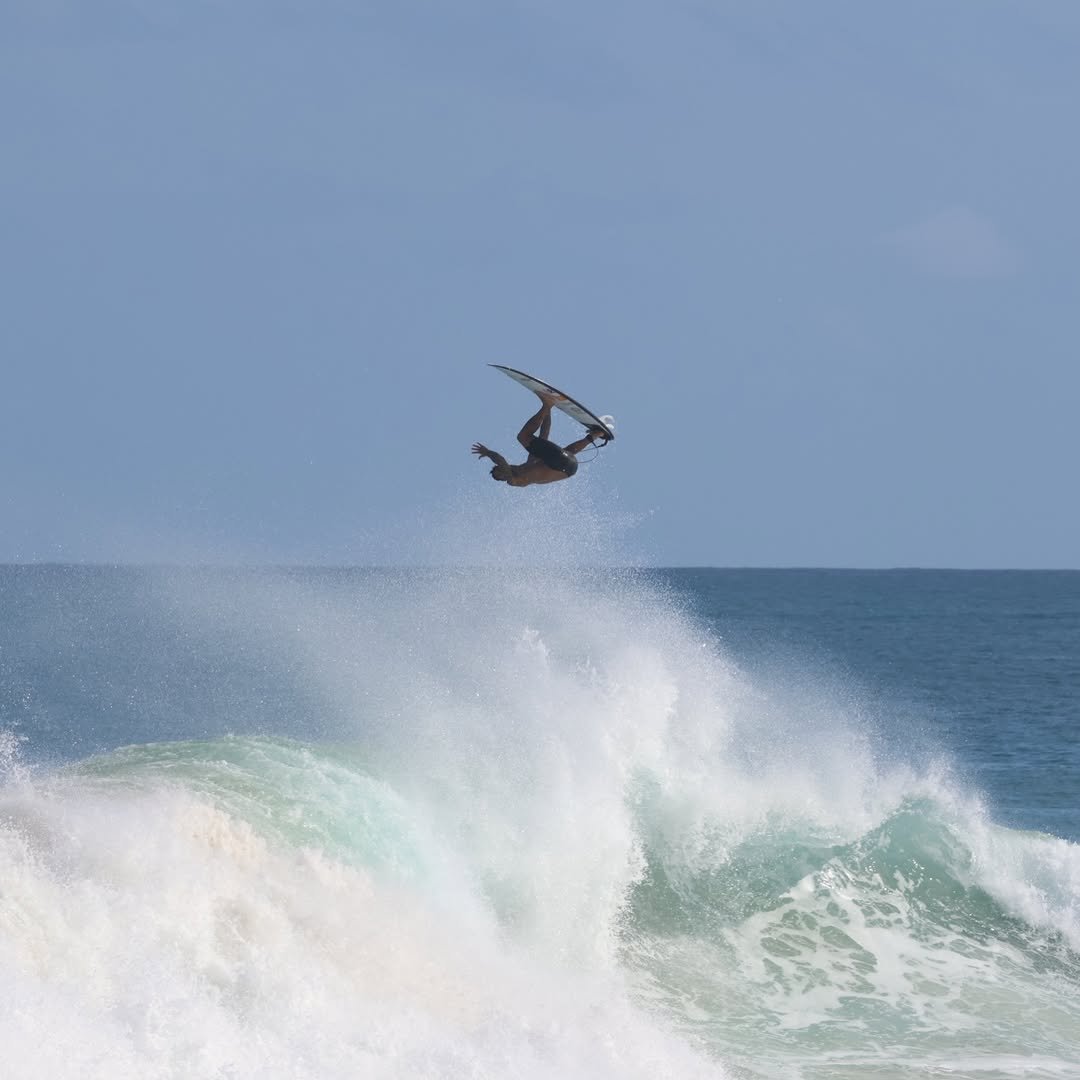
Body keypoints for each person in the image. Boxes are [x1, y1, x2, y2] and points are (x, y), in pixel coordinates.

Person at [472, 392, 606, 487]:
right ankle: (547, 404)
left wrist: (548, 411)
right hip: (562, 465)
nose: (502, 471)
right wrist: (488, 453)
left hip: (570, 466)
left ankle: (596, 435)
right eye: (500, 475)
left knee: (566, 452)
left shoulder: (531, 462)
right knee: (523, 437)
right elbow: (501, 461)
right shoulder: (515, 481)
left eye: (498, 470)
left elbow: (544, 433)